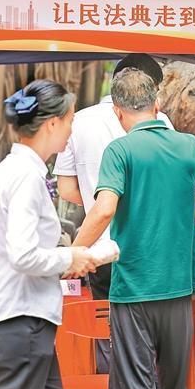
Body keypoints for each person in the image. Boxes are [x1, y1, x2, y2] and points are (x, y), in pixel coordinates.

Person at [71, 68, 195, 389]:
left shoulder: (120, 151)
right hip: (178, 287)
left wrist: (73, 253)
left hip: (134, 288)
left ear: (118, 111)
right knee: (175, 387)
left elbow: (104, 209)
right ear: (156, 104)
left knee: (136, 388)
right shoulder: (189, 147)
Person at [0, 80, 98, 389]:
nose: (72, 129)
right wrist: (70, 257)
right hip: (21, 322)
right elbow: (23, 254)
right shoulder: (25, 177)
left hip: (22, 322)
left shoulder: (15, 170)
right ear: (52, 124)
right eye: (70, 120)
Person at [55, 53, 172, 302]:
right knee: (149, 320)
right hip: (151, 246)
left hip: (99, 247)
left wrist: (99, 199)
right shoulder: (160, 120)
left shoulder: (78, 121)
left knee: (104, 319)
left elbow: (65, 189)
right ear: (149, 88)